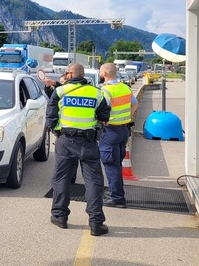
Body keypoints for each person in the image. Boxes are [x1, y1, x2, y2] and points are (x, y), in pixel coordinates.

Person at [47, 63, 111, 236]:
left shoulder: (60, 92)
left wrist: (56, 130)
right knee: (94, 181)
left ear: (69, 74)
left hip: (65, 140)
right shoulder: (96, 92)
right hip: (88, 142)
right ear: (82, 76)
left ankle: (60, 216)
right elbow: (105, 115)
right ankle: (96, 223)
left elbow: (51, 117)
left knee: (61, 179)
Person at [98, 63, 139, 208]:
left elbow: (100, 111)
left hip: (110, 131)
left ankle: (117, 198)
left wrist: (104, 121)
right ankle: (115, 192)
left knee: (111, 164)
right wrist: (127, 117)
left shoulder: (105, 91)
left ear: (104, 73)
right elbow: (135, 104)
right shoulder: (125, 88)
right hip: (124, 130)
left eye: (100, 71)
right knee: (116, 163)